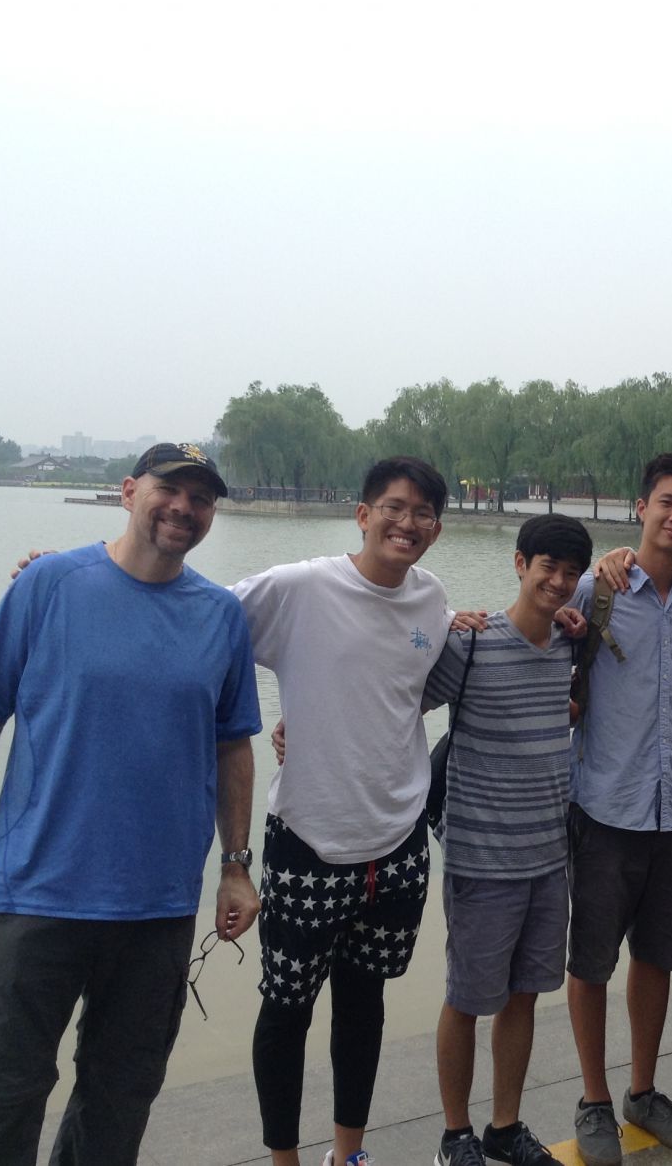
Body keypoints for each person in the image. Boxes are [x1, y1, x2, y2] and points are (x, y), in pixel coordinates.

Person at [0, 442, 261, 1165]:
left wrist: (236, 866)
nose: (184, 508)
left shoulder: (220, 615)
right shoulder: (48, 584)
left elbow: (233, 746)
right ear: (129, 491)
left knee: (117, 1105)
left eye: (202, 498)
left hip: (159, 911)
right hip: (39, 898)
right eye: (170, 490)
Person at [234, 456, 454, 1166]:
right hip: (309, 840)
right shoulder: (300, 587)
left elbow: (404, 682)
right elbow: (195, 614)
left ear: (436, 528)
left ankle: (349, 1154)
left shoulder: (432, 600)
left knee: (364, 1006)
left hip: (398, 846)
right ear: (363, 515)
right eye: (394, 507)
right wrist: (85, 573)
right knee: (287, 1009)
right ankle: (285, 1159)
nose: (407, 523)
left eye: (422, 513)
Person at [425, 514, 593, 1166]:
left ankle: (504, 1126)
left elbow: (571, 710)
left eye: (571, 573)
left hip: (549, 859)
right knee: (467, 998)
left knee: (524, 995)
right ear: (520, 563)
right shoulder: (469, 644)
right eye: (547, 566)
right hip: (481, 860)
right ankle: (454, 1134)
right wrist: (297, 729)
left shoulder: (569, 646)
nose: (558, 582)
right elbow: (395, 701)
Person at [566, 453, 672, 1166]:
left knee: (657, 959)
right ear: (641, 506)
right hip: (604, 808)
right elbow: (528, 636)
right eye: (667, 502)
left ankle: (643, 1091)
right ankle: (595, 1100)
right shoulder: (595, 587)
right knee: (591, 962)